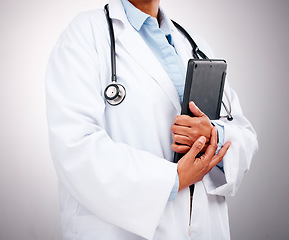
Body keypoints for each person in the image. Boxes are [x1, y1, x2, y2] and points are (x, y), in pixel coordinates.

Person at [45, 0, 258, 239]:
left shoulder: (194, 43)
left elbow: (244, 135)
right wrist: (172, 179)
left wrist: (213, 136)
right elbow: (74, 146)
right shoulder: (85, 34)